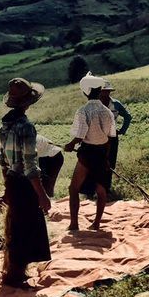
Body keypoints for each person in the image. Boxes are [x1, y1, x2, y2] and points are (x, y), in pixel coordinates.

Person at [0, 78, 52, 286]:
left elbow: (4, 161)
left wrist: (6, 187)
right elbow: (30, 166)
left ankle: (13, 269)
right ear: (28, 102)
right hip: (24, 184)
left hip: (12, 180)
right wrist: (42, 196)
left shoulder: (5, 126)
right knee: (26, 228)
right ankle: (16, 275)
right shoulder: (26, 127)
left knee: (15, 227)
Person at [64, 73, 114, 231]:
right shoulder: (107, 112)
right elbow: (110, 137)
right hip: (101, 152)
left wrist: (70, 144)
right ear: (100, 90)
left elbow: (80, 135)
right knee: (101, 190)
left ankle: (74, 224)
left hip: (87, 154)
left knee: (73, 189)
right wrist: (106, 158)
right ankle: (96, 223)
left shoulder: (83, 111)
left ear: (85, 91)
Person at [97, 81, 131, 193]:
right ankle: (96, 188)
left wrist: (122, 130)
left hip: (112, 136)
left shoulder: (116, 104)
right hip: (97, 137)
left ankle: (107, 188)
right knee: (97, 162)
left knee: (110, 162)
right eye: (102, 91)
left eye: (107, 91)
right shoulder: (95, 104)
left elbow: (128, 117)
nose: (105, 94)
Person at [35, 133, 64, 197]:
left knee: (45, 182)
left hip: (53, 156)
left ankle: (47, 201)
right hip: (43, 155)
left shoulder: (27, 139)